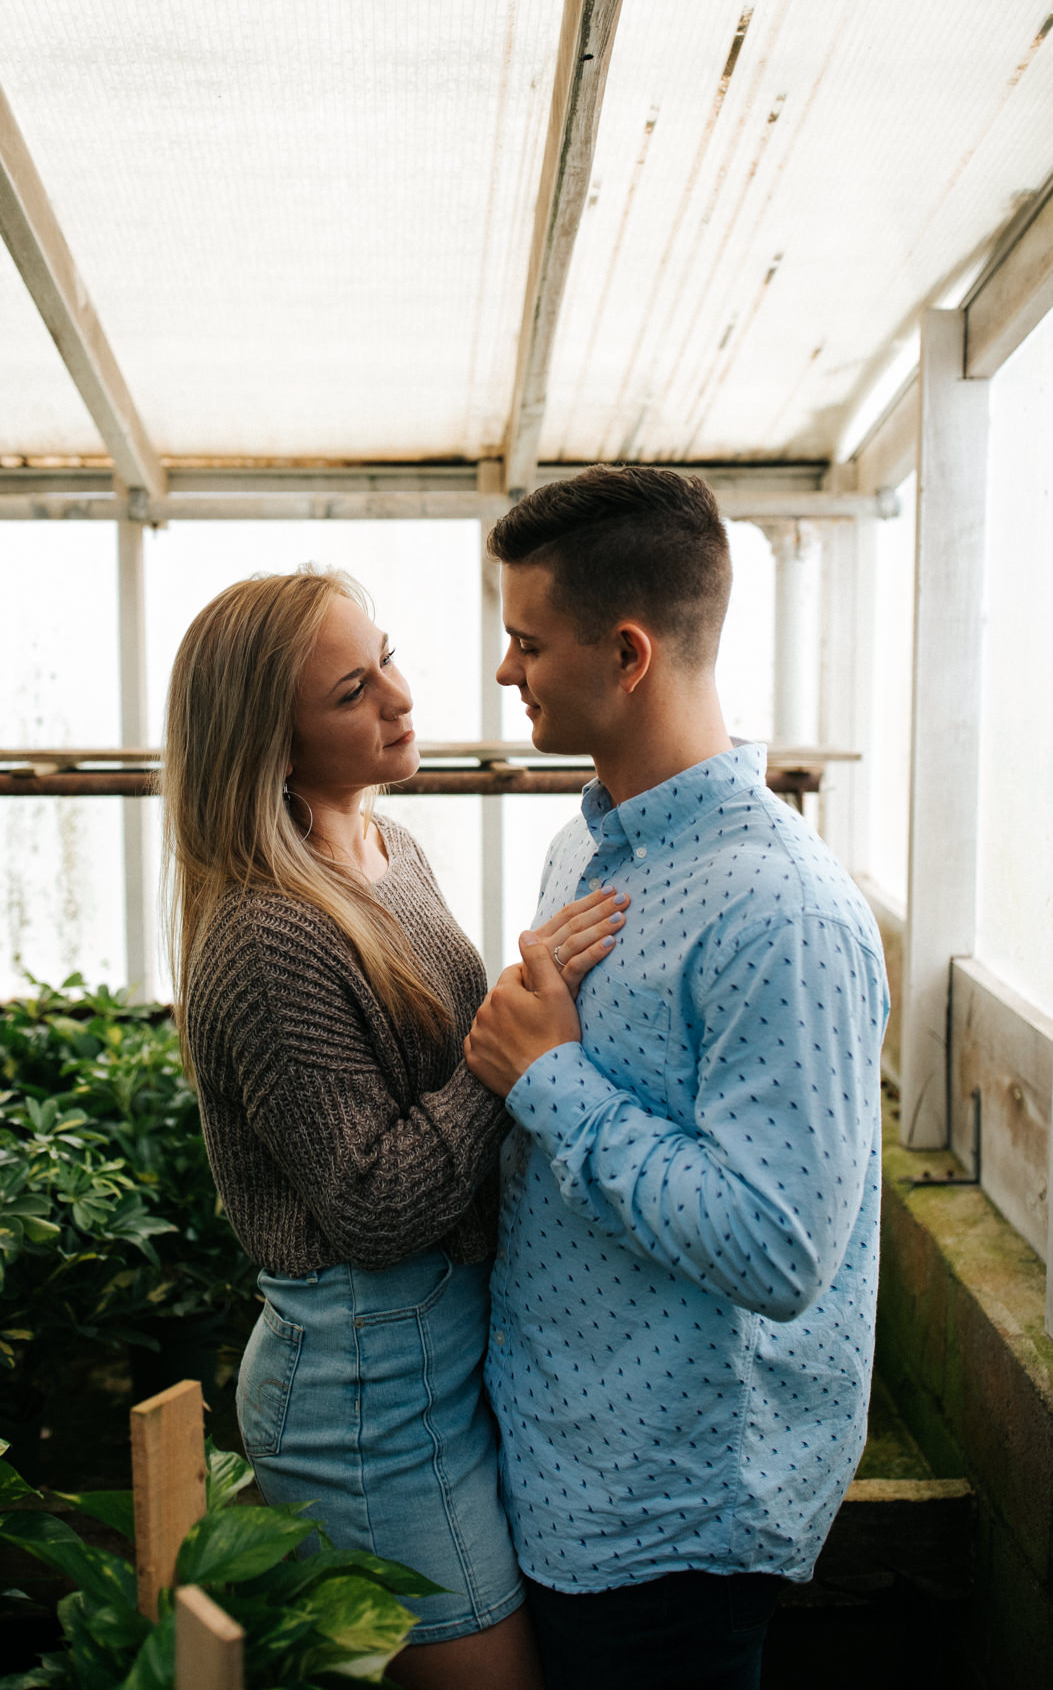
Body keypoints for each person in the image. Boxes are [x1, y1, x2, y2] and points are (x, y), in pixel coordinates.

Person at [162, 565, 627, 1689]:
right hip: (364, 1388)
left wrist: (520, 1010)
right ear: (268, 744)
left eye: (389, 657)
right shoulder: (270, 936)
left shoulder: (388, 849)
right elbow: (372, 1203)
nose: (403, 698)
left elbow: (462, 1044)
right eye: (351, 691)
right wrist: (508, 1051)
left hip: (431, 1353)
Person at [463, 466, 888, 1690]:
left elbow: (776, 1244)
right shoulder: (583, 843)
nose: (506, 671)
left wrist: (547, 1076)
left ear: (630, 651)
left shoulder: (783, 909)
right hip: (561, 1463)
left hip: (673, 1519)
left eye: (525, 640)